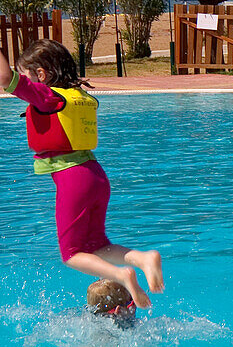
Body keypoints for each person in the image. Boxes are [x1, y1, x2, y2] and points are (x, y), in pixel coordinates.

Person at [0, 40, 163, 308]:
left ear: (41, 75)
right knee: (97, 244)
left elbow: (5, 79)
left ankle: (123, 275)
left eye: (27, 75)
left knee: (71, 254)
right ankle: (143, 258)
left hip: (73, 180)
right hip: (95, 175)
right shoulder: (76, 96)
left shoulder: (49, 97)